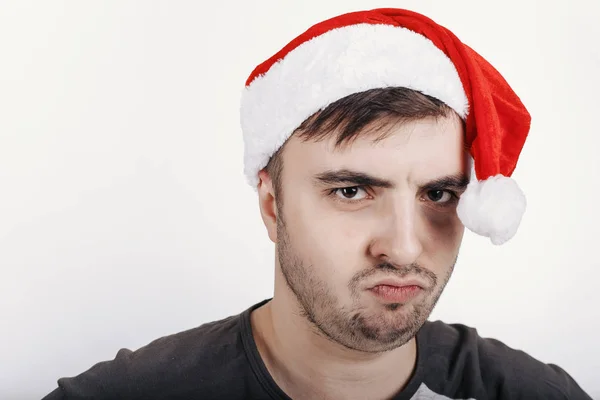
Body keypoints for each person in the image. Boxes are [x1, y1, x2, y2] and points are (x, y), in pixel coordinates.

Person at [42, 8, 592, 400]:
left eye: (439, 194)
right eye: (351, 191)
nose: (403, 246)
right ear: (272, 207)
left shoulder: (530, 392)